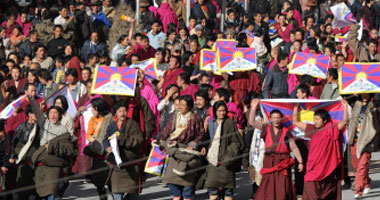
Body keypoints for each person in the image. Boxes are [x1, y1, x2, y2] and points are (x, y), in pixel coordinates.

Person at [293, 101, 348, 200]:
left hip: (327, 165)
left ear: (325, 121)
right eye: (314, 119)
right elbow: (296, 122)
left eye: (317, 119)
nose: (315, 121)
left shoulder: (331, 129)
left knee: (328, 189)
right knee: (310, 186)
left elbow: (344, 122)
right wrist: (296, 108)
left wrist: (345, 108)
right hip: (313, 165)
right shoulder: (312, 129)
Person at [249, 99, 303, 200]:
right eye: (274, 118)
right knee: (267, 187)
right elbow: (252, 122)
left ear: (281, 119)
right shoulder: (266, 128)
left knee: (283, 188)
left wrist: (300, 161)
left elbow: (294, 147)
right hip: (269, 162)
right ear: (270, 119)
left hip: (282, 162)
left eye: (278, 118)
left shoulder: (286, 131)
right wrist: (253, 108)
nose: (276, 120)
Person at [159, 95, 205, 200]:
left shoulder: (195, 118)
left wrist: (193, 145)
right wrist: (162, 142)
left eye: (183, 105)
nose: (180, 107)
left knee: (188, 184)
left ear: (189, 106)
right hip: (174, 148)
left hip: (187, 151)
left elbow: (200, 134)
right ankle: (176, 196)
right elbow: (167, 130)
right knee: (171, 180)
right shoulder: (175, 115)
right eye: (179, 104)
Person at [29, 96, 75, 200]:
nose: (53, 115)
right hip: (42, 163)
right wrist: (31, 99)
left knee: (51, 192)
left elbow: (68, 149)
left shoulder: (64, 131)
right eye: (51, 113)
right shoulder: (45, 124)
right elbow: (37, 112)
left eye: (56, 113)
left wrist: (52, 146)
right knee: (41, 193)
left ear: (59, 115)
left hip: (54, 165)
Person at [102, 101, 144, 200]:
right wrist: (107, 147)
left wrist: (121, 137)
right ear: (115, 112)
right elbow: (105, 139)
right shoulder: (112, 125)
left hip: (130, 163)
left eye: (125, 111)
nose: (123, 113)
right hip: (117, 164)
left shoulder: (133, 124)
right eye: (120, 111)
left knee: (133, 193)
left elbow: (138, 140)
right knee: (117, 193)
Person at [205, 101, 244, 200]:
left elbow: (236, 141)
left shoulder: (230, 123)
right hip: (213, 159)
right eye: (219, 111)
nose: (222, 113)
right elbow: (208, 138)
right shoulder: (211, 123)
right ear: (215, 111)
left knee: (228, 189)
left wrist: (229, 155)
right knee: (212, 187)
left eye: (224, 111)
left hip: (227, 158)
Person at [347, 94, 380, 199]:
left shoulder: (374, 105)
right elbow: (345, 99)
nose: (365, 96)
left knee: (362, 166)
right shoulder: (355, 104)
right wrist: (354, 94)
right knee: (356, 166)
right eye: (363, 93)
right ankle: (366, 182)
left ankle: (358, 190)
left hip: (366, 141)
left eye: (367, 93)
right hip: (354, 140)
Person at [82, 97, 112, 200]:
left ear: (98, 108)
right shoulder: (92, 119)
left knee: (109, 180)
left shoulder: (108, 118)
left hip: (107, 152)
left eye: (92, 108)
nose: (91, 110)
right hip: (96, 152)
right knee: (98, 180)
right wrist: (94, 139)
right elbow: (88, 135)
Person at [10, 105, 40, 200]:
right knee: (22, 191)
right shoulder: (22, 127)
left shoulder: (40, 128)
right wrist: (12, 156)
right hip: (23, 162)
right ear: (30, 114)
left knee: (37, 190)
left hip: (36, 163)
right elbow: (13, 143)